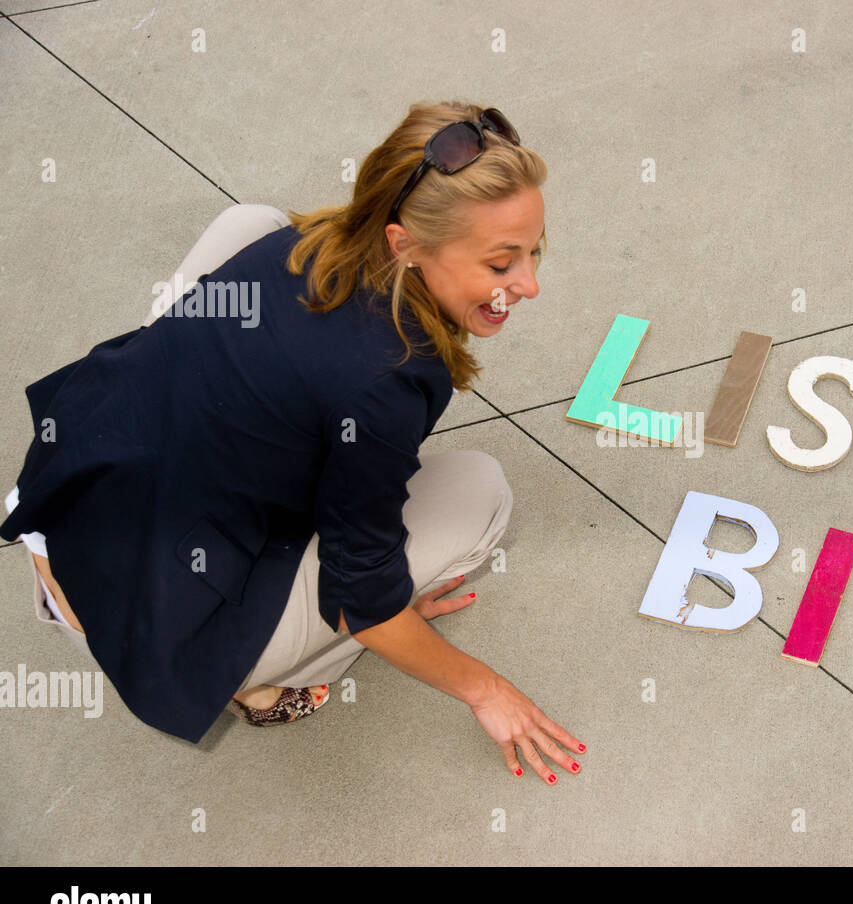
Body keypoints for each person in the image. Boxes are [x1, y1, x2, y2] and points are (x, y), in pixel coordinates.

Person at [0, 101, 585, 785]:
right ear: (404, 245)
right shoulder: (387, 379)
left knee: (248, 221)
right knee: (481, 493)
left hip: (65, 493)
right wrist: (485, 688)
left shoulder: (302, 242)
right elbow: (362, 597)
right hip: (143, 623)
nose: (529, 285)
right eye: (501, 262)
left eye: (534, 251)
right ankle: (255, 681)